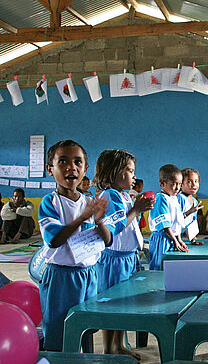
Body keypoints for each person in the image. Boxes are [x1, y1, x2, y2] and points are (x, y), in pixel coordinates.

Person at [38, 140, 110, 351]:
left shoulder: (90, 202)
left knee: (86, 326)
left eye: (78, 162)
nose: (72, 167)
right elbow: (54, 239)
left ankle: (86, 356)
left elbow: (106, 240)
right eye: (63, 161)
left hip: (89, 273)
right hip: (61, 276)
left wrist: (98, 220)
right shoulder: (50, 202)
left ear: (85, 169)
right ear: (50, 169)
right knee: (59, 327)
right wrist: (83, 217)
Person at [94, 149, 154, 359]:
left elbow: (129, 224)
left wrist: (138, 208)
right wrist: (136, 210)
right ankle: (108, 348)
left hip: (127, 257)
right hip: (114, 260)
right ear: (113, 174)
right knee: (112, 304)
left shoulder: (122, 195)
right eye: (129, 171)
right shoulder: (109, 195)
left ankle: (119, 345)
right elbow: (118, 226)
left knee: (122, 304)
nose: (133, 175)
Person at [148, 164, 188, 270]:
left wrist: (179, 240)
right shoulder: (160, 198)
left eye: (179, 184)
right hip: (161, 239)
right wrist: (175, 240)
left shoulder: (174, 198)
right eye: (174, 184)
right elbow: (164, 225)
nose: (177, 188)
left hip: (171, 237)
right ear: (162, 183)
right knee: (159, 267)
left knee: (170, 268)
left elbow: (177, 223)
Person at [177, 168, 204, 245]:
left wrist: (193, 240)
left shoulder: (195, 201)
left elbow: (191, 222)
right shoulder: (180, 198)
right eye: (189, 181)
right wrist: (190, 211)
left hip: (179, 236)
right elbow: (175, 221)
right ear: (181, 185)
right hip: (171, 236)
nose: (193, 184)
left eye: (196, 181)